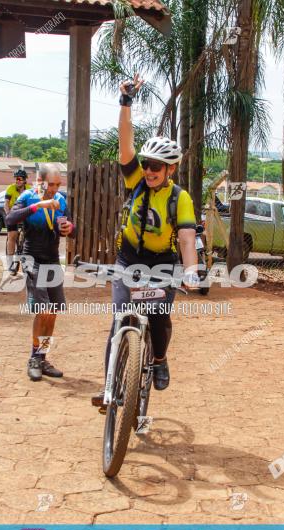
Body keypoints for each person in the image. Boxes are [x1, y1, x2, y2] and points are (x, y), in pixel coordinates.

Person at [91, 74, 200, 411]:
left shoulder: (180, 199)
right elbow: (126, 142)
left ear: (171, 169)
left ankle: (160, 358)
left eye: (157, 166)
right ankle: (111, 388)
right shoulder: (136, 181)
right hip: (128, 259)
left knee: (158, 318)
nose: (149, 170)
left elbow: (186, 238)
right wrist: (125, 102)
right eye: (147, 164)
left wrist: (192, 272)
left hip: (163, 264)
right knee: (119, 320)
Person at [5, 164, 74, 382]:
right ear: (40, 181)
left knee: (52, 312)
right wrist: (38, 206)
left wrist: (69, 229)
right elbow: (10, 220)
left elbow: (73, 226)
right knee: (43, 309)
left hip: (52, 259)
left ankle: (43, 356)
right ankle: (34, 358)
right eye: (50, 184)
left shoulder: (62, 201)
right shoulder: (27, 197)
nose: (54, 189)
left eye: (57, 184)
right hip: (31, 258)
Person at [4, 169, 32, 275]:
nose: (17, 181)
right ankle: (10, 263)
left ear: (25, 180)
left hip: (25, 214)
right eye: (16, 179)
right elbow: (6, 203)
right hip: (13, 214)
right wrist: (8, 214)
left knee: (31, 236)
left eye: (20, 179)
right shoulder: (11, 188)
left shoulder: (29, 190)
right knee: (12, 235)